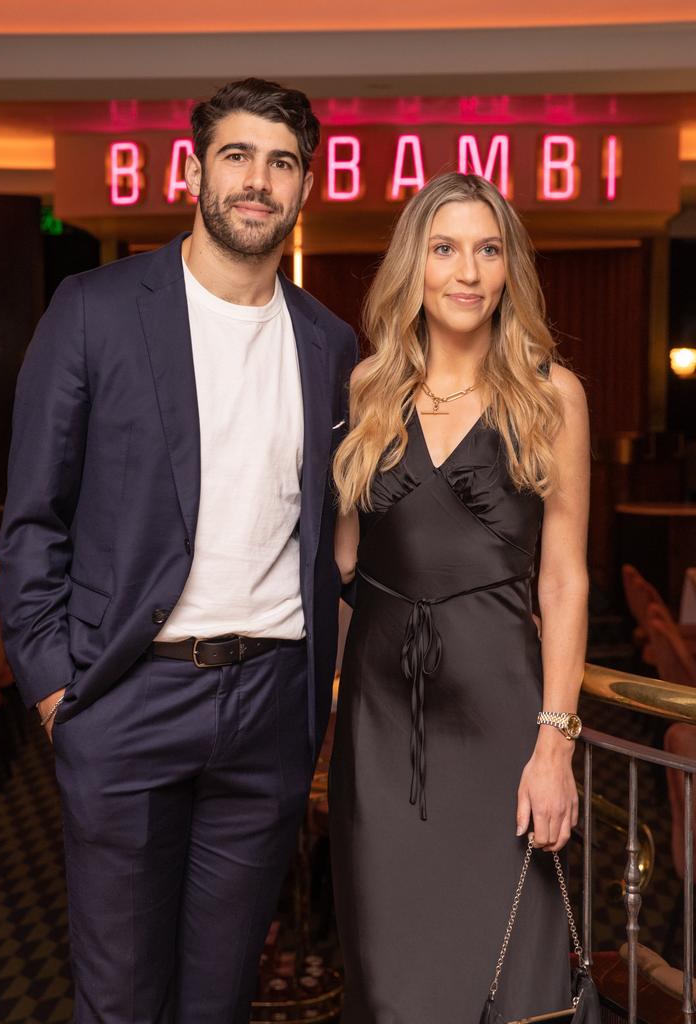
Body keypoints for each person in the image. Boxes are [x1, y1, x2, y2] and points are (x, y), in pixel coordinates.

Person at [0, 78, 358, 1024]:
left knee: (219, 999)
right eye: (237, 155)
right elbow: (34, 516)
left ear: (304, 186)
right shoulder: (97, 309)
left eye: (282, 162)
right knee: (118, 999)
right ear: (195, 171)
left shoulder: (328, 343)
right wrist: (52, 690)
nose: (258, 180)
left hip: (271, 705)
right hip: (125, 699)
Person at [329, 172, 590, 1021]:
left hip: (501, 713)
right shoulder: (368, 389)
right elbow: (342, 561)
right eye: (445, 249)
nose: (467, 271)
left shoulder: (553, 395)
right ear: (416, 264)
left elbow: (563, 578)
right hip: (379, 721)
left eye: (488, 249)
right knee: (390, 969)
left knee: (513, 971)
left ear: (511, 268)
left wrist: (555, 743)